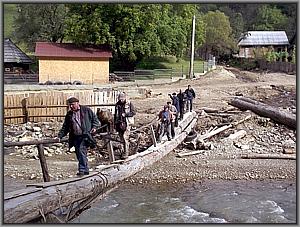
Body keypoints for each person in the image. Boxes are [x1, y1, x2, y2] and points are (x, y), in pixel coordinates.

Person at [58, 96, 100, 176]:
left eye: (73, 104)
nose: (71, 106)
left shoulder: (86, 110)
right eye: (70, 105)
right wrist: (60, 136)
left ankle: (82, 170)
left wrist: (94, 127)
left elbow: (95, 120)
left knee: (81, 151)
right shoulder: (69, 114)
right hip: (75, 136)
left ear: (77, 103)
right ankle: (86, 170)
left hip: (85, 135)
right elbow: (65, 127)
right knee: (79, 153)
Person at [114, 92, 136, 159]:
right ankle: (123, 152)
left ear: (124, 98)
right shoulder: (117, 104)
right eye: (120, 99)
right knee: (121, 139)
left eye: (122, 99)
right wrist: (115, 124)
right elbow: (115, 115)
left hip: (127, 123)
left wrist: (125, 114)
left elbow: (133, 112)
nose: (121, 100)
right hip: (119, 123)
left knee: (125, 137)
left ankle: (126, 153)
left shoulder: (129, 103)